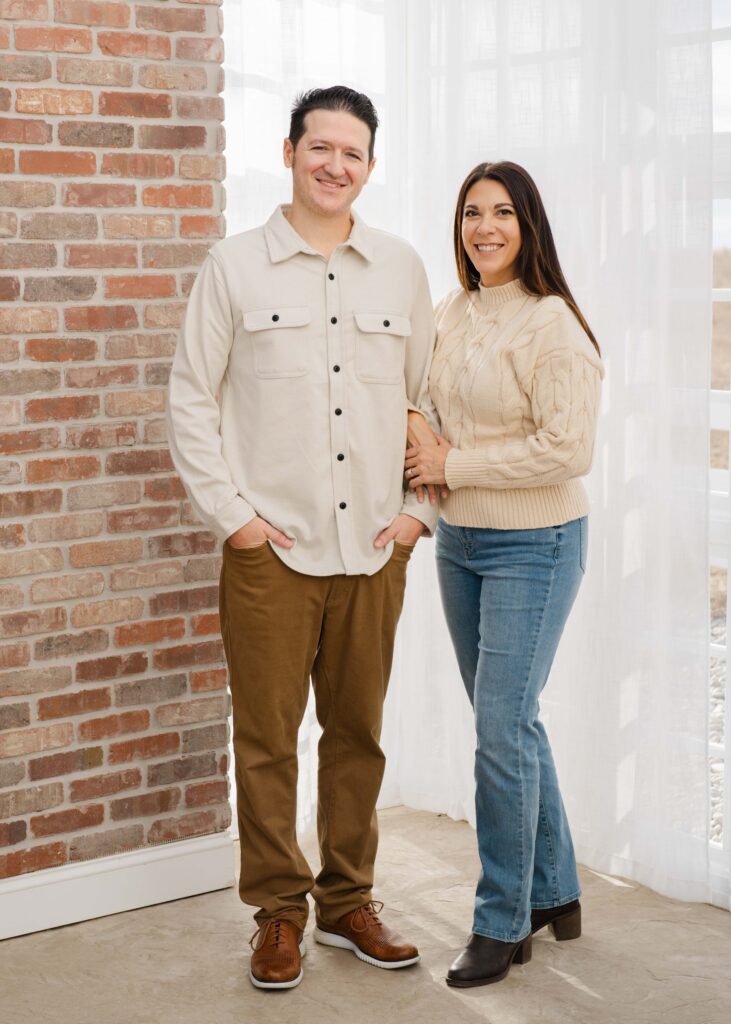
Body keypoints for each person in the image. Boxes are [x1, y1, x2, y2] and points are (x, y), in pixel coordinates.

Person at [166, 86, 439, 991]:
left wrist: (415, 518)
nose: (334, 165)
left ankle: (348, 900)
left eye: (352, 153)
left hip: (373, 546)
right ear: (288, 153)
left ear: (369, 166)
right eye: (319, 147)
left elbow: (425, 401)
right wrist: (234, 520)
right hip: (269, 553)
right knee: (268, 738)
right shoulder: (234, 266)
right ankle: (277, 914)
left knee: (358, 731)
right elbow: (190, 399)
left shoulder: (399, 268)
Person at [404, 161, 604, 988]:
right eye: (470, 214)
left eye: (501, 214)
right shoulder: (454, 311)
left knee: (499, 727)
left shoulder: (551, 324)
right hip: (461, 542)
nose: (483, 228)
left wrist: (453, 460)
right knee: (510, 724)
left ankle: (502, 919)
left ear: (528, 225)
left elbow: (568, 450)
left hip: (537, 542)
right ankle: (555, 891)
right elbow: (420, 393)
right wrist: (420, 426)